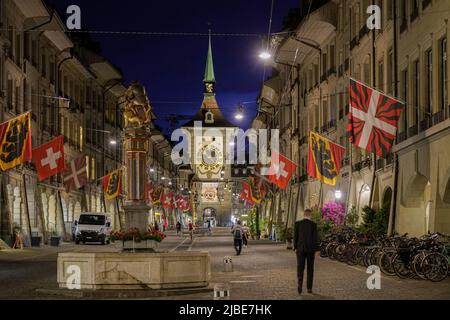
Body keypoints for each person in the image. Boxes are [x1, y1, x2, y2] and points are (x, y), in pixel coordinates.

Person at [294, 209, 320, 295]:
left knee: (300, 268)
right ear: (310, 215)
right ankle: (309, 288)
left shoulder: (298, 224)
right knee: (310, 269)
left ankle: (300, 284)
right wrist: (317, 249)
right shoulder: (313, 225)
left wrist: (295, 247)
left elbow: (295, 236)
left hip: (300, 249)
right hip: (310, 250)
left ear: (304, 214)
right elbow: (315, 238)